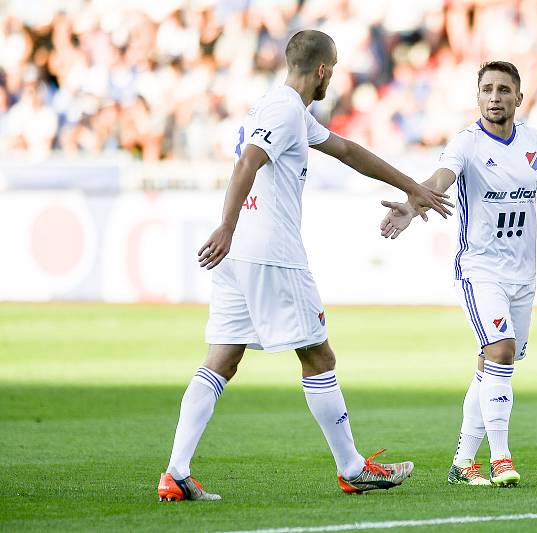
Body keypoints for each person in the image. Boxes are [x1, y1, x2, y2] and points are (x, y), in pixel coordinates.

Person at [157, 30, 453, 501]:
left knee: (222, 359)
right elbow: (247, 164)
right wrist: (226, 226)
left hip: (241, 255)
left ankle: (175, 472)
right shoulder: (282, 110)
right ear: (322, 70)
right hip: (270, 251)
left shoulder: (280, 108)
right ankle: (353, 468)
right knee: (319, 356)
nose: (331, 80)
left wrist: (412, 187)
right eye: (331, 72)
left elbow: (349, 151)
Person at [379, 61, 537, 487]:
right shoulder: (466, 144)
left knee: (492, 364)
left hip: (522, 274)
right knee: (502, 350)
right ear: (478, 98)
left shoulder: (534, 142)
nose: (494, 97)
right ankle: (501, 459)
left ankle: (462, 463)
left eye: (503, 90)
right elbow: (442, 177)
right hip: (479, 270)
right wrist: (414, 203)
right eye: (487, 90)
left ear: (519, 97)